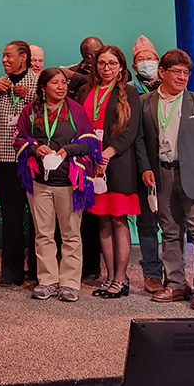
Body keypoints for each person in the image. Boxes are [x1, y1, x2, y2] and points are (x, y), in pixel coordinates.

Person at [135, 49, 194, 311]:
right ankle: (176, 284)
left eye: (186, 72)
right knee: (170, 232)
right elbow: (139, 140)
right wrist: (145, 168)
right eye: (177, 72)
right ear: (162, 72)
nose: (182, 77)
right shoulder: (145, 102)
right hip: (161, 174)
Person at [15, 68, 103, 302]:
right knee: (43, 234)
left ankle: (70, 283)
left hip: (69, 182)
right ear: (43, 88)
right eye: (55, 83)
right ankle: (47, 281)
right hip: (40, 182)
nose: (61, 87)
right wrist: (35, 148)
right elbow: (19, 139)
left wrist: (68, 150)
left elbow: (91, 141)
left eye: (63, 83)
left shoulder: (75, 110)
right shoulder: (31, 111)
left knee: (71, 235)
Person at [77, 46, 142, 299]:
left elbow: (131, 131)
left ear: (121, 68)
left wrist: (108, 153)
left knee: (118, 219)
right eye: (102, 63)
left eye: (112, 63)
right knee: (101, 219)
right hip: (91, 164)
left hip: (118, 162)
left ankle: (121, 278)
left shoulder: (130, 92)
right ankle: (109, 275)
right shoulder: (85, 91)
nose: (107, 68)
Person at [0, 40, 39, 287]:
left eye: (8, 56)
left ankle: (38, 272)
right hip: (5, 159)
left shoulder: (37, 83)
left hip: (33, 159)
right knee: (12, 217)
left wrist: (31, 98)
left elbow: (49, 113)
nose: (4, 60)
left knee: (38, 218)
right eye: (3, 56)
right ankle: (11, 273)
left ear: (23, 58)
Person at [129, 34, 165, 292]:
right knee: (147, 222)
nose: (146, 63)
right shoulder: (131, 94)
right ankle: (151, 272)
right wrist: (144, 167)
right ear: (133, 67)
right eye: (141, 60)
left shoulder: (175, 89)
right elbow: (136, 137)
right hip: (145, 168)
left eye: (150, 59)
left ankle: (175, 273)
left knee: (175, 225)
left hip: (174, 167)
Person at [65, 36, 104, 100]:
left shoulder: (109, 67)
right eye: (89, 55)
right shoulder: (74, 69)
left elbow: (102, 81)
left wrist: (74, 76)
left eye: (100, 52)